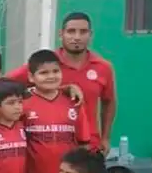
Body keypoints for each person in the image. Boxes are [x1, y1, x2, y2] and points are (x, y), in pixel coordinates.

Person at [6, 13, 116, 152]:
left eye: (83, 32)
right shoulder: (47, 64)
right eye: (71, 31)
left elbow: (109, 101)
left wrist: (105, 137)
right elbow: (4, 85)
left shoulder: (103, 67)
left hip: (89, 147)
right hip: (46, 149)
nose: (77, 37)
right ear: (61, 34)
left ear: (90, 35)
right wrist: (62, 89)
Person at [22, 49, 91, 173]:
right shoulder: (23, 104)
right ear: (31, 77)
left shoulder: (74, 101)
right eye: (44, 73)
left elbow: (84, 145)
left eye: (55, 71)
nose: (51, 76)